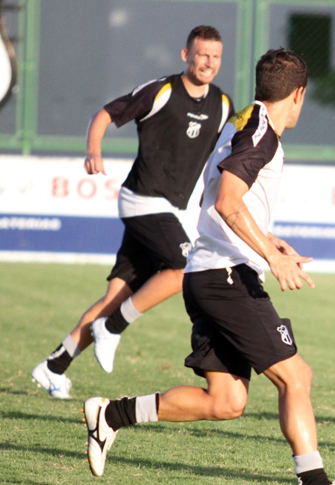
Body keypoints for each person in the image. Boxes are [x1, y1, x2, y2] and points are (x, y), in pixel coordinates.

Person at [81, 48, 335, 485]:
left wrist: (270, 242)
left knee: (225, 401)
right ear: (298, 95)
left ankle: (112, 414)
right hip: (226, 277)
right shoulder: (262, 134)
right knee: (296, 377)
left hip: (210, 273)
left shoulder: (242, 121)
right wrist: (267, 255)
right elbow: (225, 201)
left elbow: (223, 199)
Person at [32, 26, 234, 398]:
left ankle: (52, 367)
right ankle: (113, 328)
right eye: (202, 54)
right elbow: (106, 114)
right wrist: (94, 150)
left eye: (215, 56)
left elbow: (226, 157)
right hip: (142, 200)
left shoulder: (222, 105)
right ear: (185, 54)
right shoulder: (162, 91)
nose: (208, 62)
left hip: (169, 209)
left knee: (114, 298)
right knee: (182, 267)